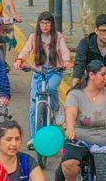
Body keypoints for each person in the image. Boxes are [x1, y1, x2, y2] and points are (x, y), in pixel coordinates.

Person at [14, 11, 72, 144]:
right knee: (34, 106)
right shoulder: (34, 37)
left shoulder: (58, 37)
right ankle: (35, 138)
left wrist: (66, 61)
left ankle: (57, 109)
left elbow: (64, 51)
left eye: (48, 23)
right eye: (42, 23)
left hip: (54, 71)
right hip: (38, 73)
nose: (45, 26)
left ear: (52, 24)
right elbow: (26, 50)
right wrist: (20, 60)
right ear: (39, 24)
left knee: (52, 87)